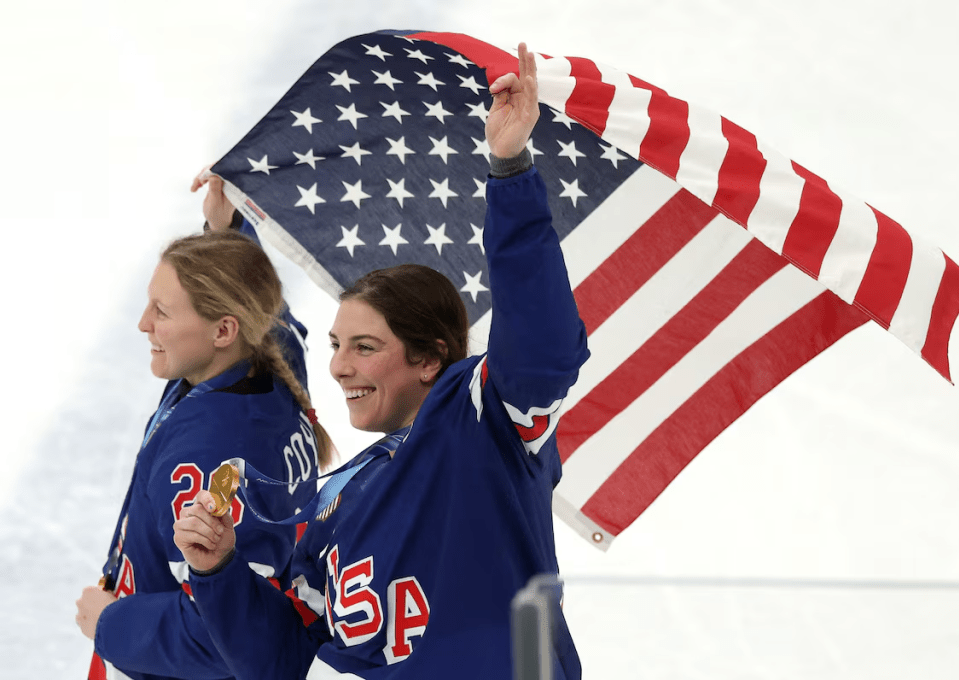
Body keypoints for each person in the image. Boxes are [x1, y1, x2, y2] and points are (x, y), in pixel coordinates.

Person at [173, 43, 587, 679]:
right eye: (337, 346)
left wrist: (510, 170)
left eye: (364, 347)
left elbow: (542, 341)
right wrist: (218, 569)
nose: (338, 368)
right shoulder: (332, 502)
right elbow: (277, 656)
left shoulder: (485, 424)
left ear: (430, 360)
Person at [74, 181, 334, 680]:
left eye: (163, 312)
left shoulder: (209, 457)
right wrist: (228, 228)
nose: (142, 323)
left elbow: (222, 634)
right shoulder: (275, 350)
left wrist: (112, 622)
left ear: (222, 331)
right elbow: (258, 300)